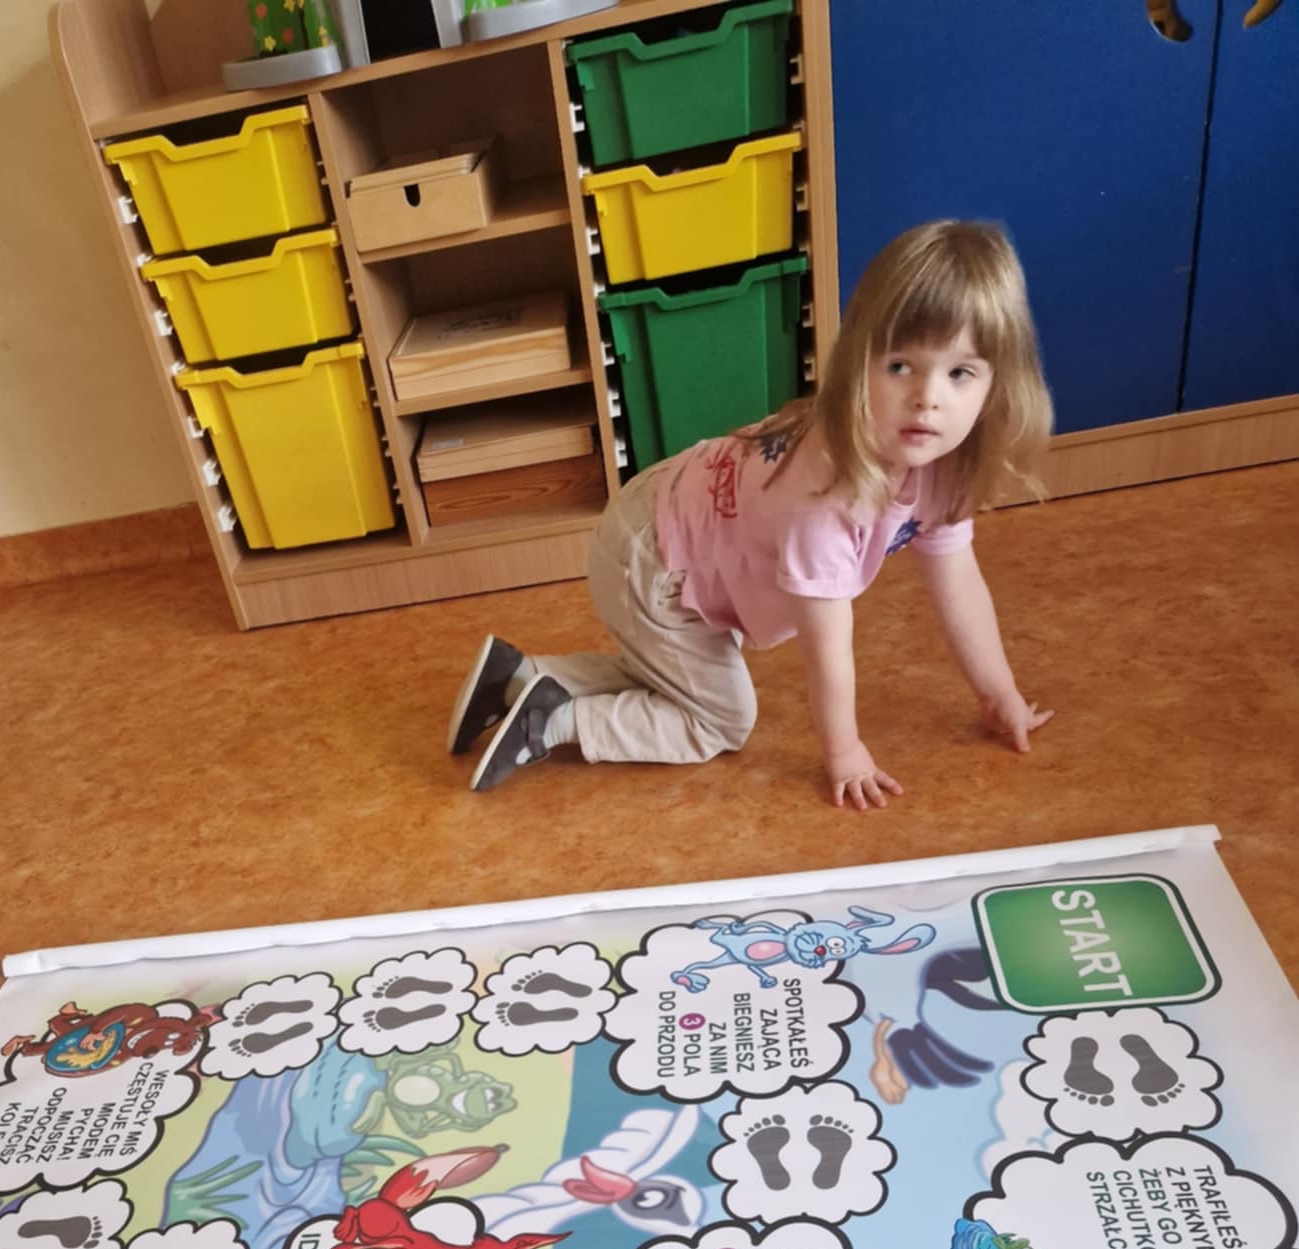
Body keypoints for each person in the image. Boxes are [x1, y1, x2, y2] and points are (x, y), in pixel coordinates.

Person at [449, 220, 1054, 810]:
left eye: (960, 373)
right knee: (719, 718)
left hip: (672, 520)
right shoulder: (827, 500)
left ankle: (517, 675)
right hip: (653, 557)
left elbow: (959, 584)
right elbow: (828, 649)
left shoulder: (944, 467)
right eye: (900, 366)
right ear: (858, 363)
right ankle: (551, 721)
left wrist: (998, 692)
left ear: (996, 385)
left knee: (682, 674)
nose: (927, 398)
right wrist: (844, 752)